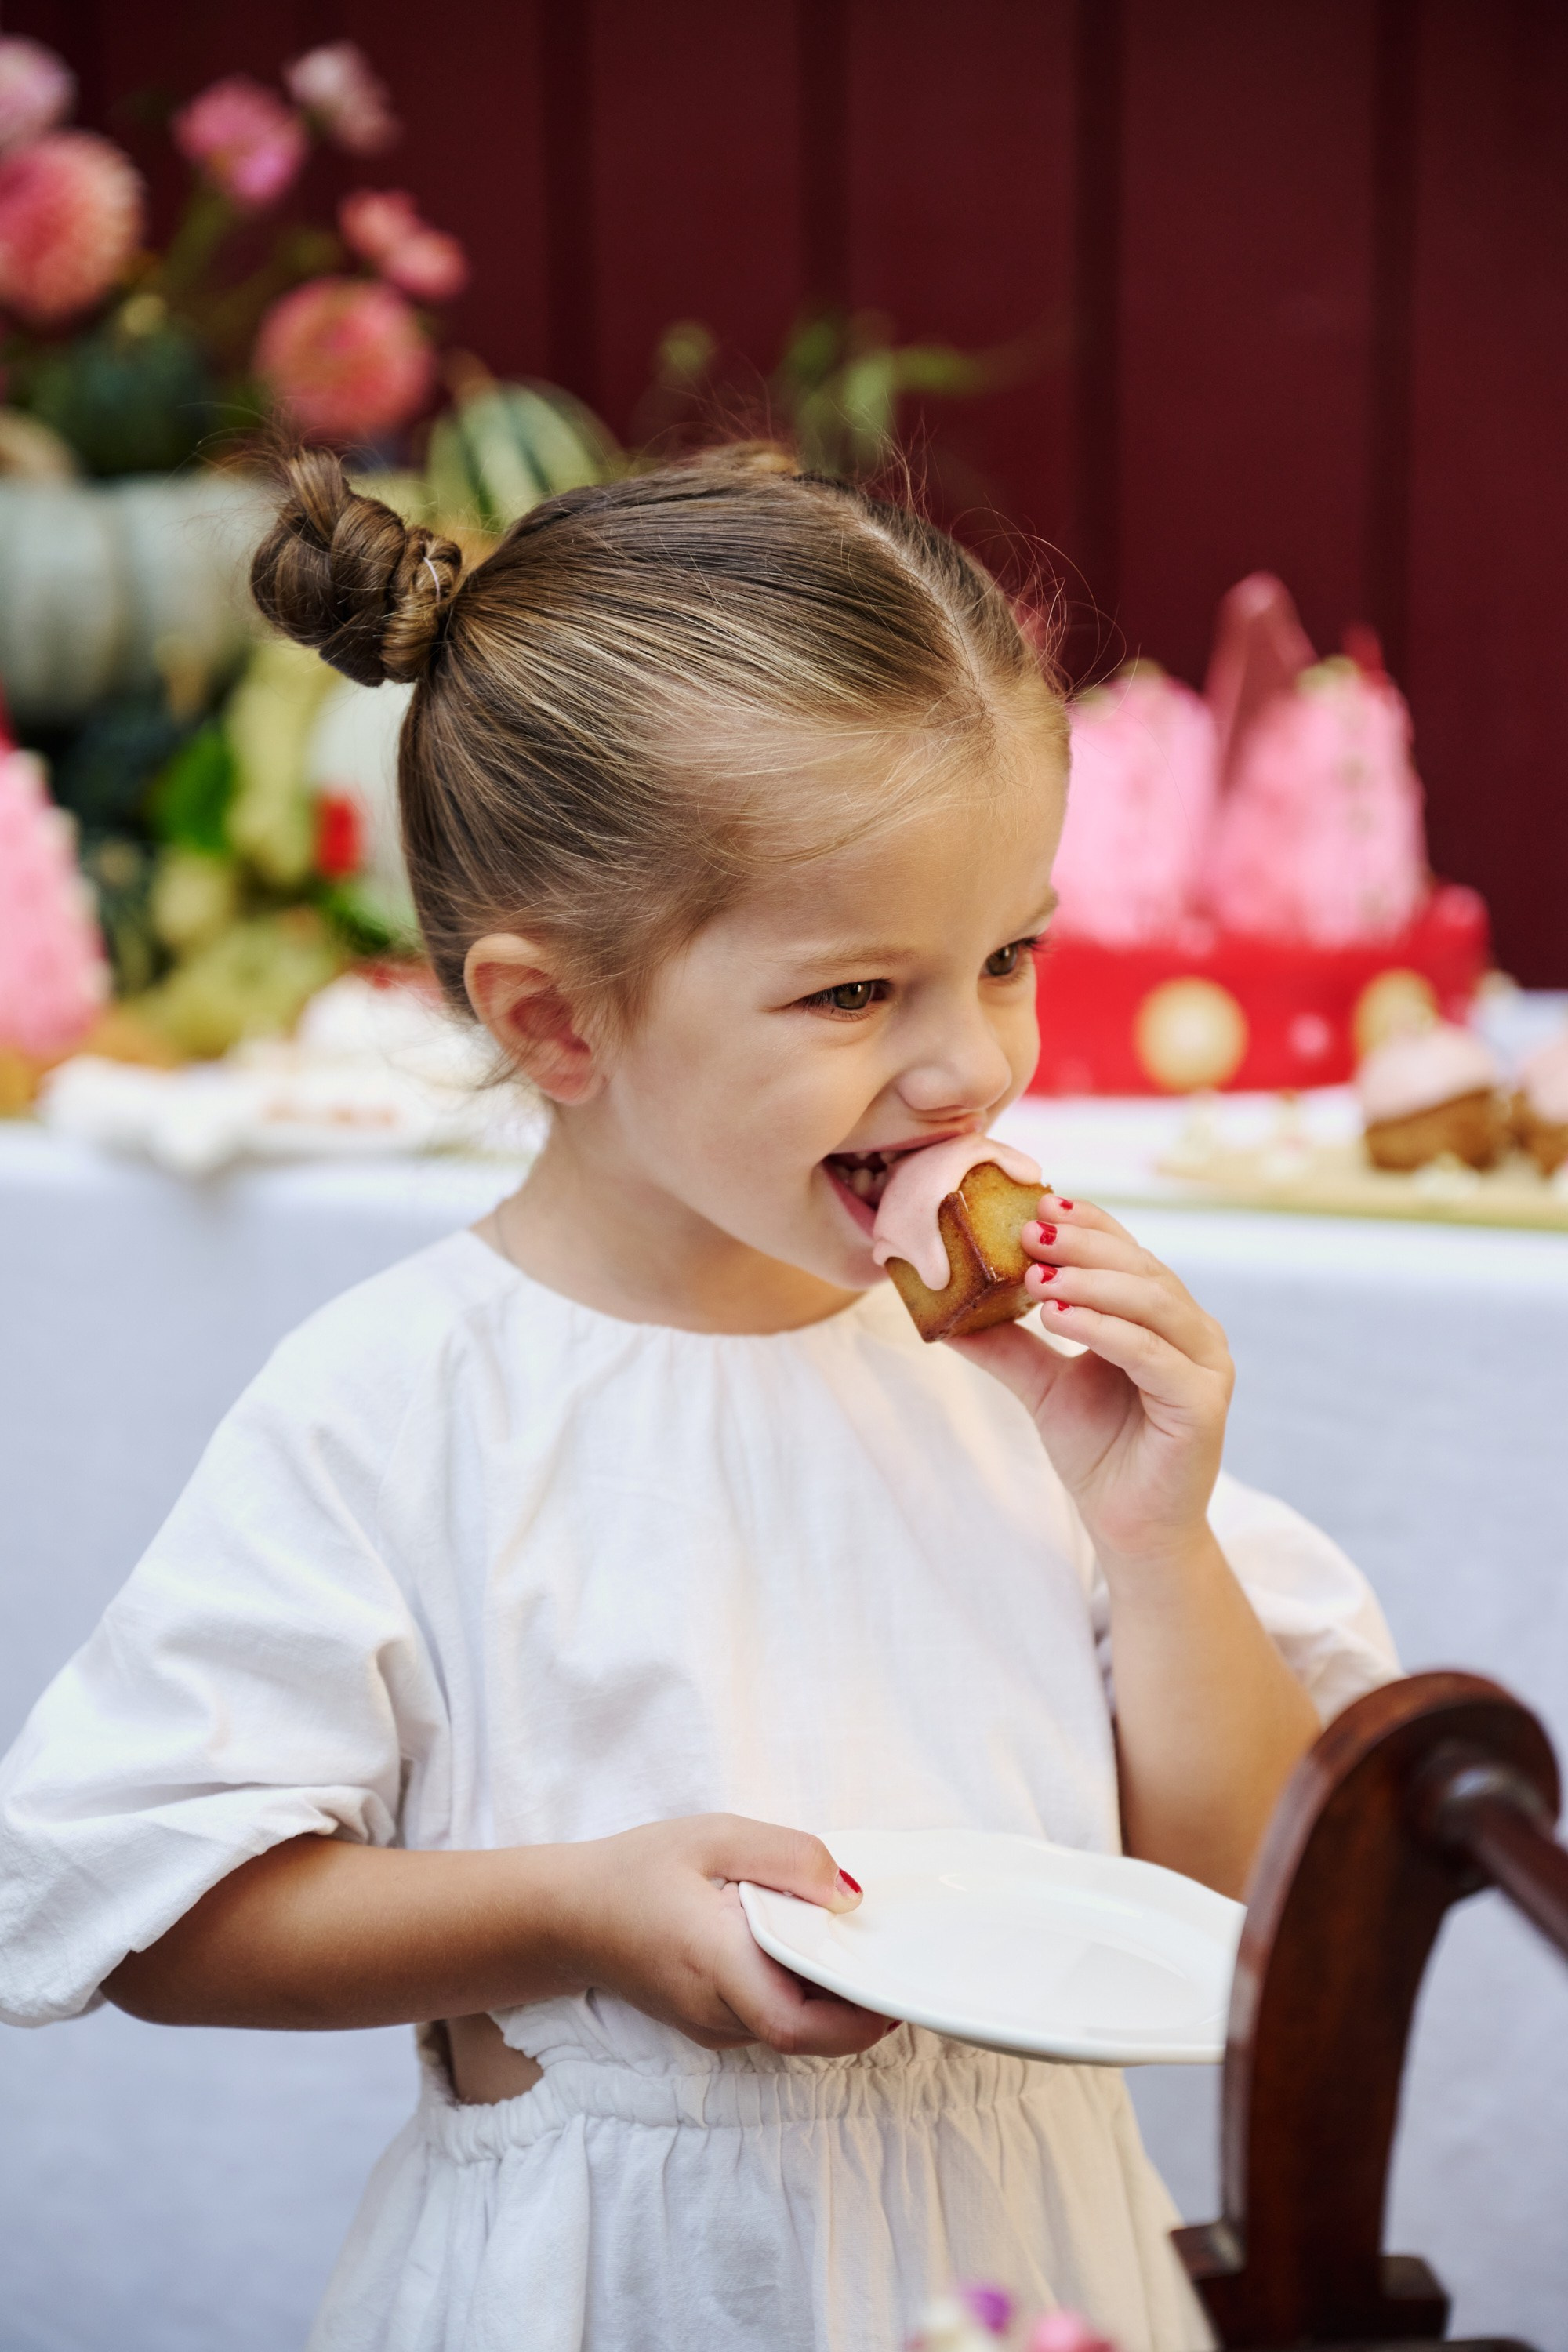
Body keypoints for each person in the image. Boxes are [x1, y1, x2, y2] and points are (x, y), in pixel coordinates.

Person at [0, 449, 1397, 2352]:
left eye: (1008, 957)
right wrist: (575, 1911)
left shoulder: (1016, 1388)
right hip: (604, 2289)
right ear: (554, 1019)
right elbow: (133, 1907)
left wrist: (1154, 1535)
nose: (969, 1067)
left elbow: (1244, 1905)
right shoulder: (410, 1406)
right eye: (855, 994)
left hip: (1034, 2267)